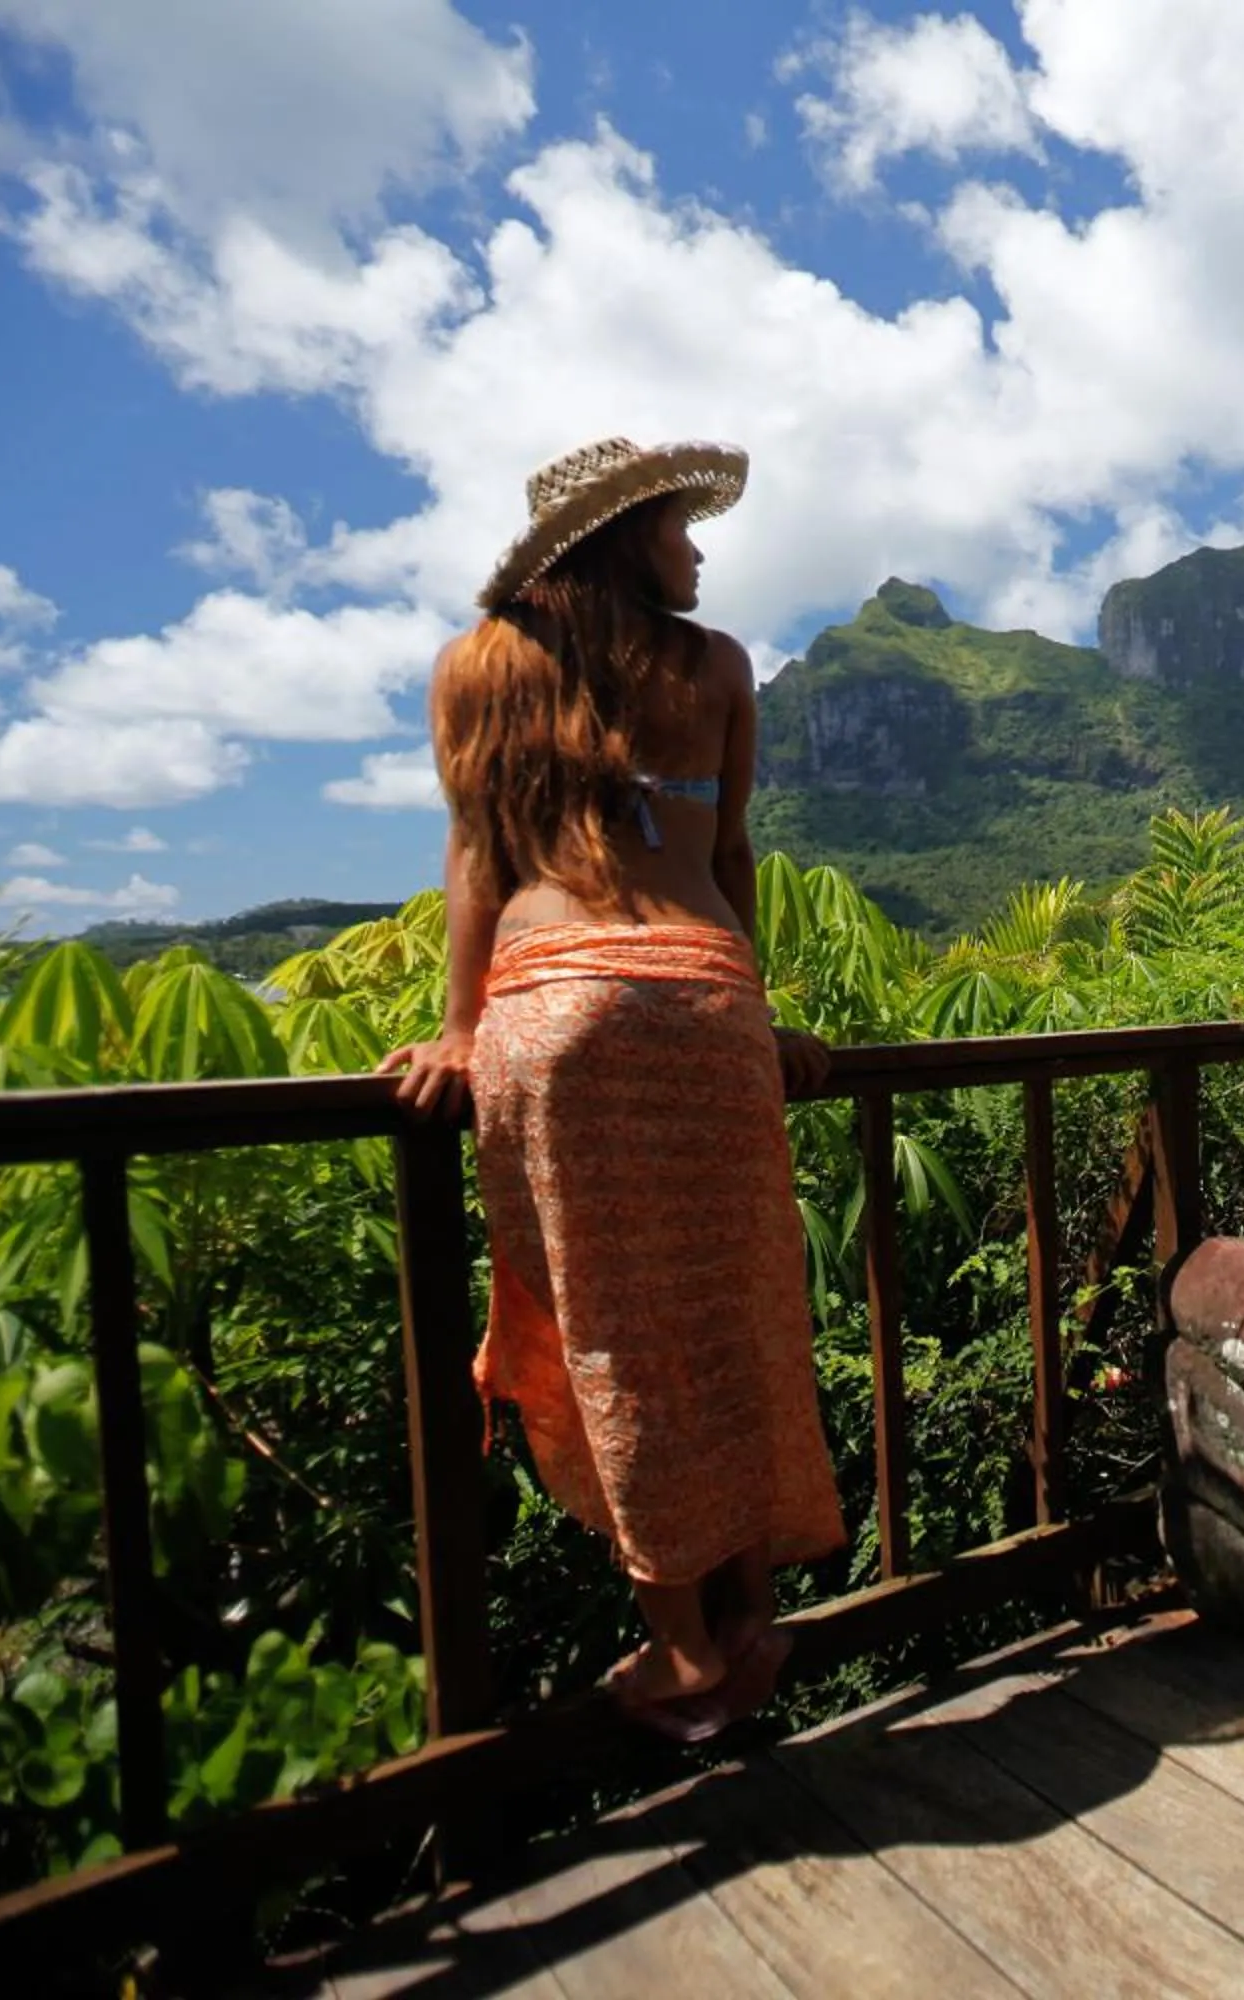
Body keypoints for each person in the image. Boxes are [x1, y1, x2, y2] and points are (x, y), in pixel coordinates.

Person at [378, 436, 846, 1742]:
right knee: (735, 1309)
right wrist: (756, 1014)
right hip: (705, 1015)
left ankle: (680, 1641)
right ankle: (747, 1616)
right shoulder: (716, 668)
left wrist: (460, 1031)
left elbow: (478, 862)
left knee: (613, 1332)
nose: (698, 549)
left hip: (560, 1016)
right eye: (680, 528)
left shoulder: (480, 669)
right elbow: (729, 852)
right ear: (624, 538)